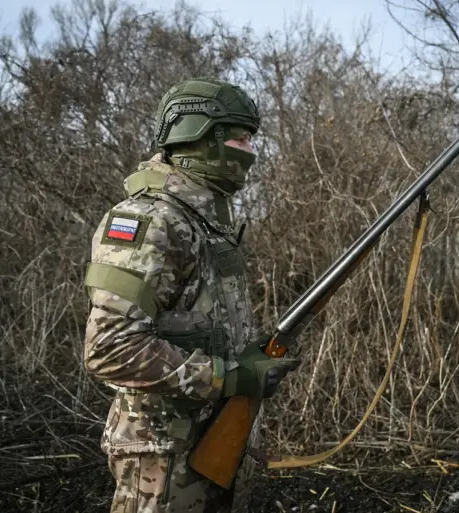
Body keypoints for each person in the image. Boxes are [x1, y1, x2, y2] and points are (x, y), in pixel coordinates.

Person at [82, 77, 301, 512]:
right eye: (240, 136)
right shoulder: (150, 220)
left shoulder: (204, 221)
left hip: (214, 443)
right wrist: (228, 376)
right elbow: (109, 348)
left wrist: (244, 355)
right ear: (199, 135)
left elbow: (197, 324)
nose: (251, 150)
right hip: (162, 459)